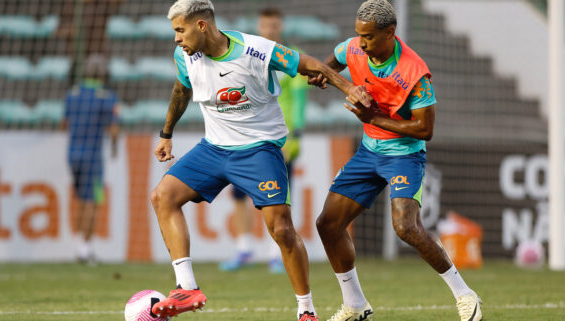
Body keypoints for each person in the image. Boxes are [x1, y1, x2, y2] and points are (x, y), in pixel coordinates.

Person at [149, 1, 372, 320]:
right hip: (214, 148)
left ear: (201, 26)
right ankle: (187, 287)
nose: (176, 38)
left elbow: (308, 64)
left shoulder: (256, 50)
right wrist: (166, 132)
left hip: (259, 149)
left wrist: (349, 88)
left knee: (281, 229)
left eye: (180, 30)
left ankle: (306, 310)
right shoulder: (184, 56)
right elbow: (181, 90)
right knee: (162, 197)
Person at [310, 1, 483, 321]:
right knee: (328, 224)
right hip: (368, 152)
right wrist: (325, 74)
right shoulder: (354, 47)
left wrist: (372, 116)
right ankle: (356, 305)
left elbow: (425, 129)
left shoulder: (414, 73)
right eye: (359, 35)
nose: (361, 43)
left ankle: (465, 295)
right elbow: (332, 62)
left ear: (390, 33)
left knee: (406, 227)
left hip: (404, 155)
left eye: (369, 37)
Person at [219, 6, 310, 274]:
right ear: (259, 27)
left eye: (273, 26)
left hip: (281, 140)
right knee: (238, 193)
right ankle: (244, 248)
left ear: (280, 27)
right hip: (248, 136)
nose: (269, 30)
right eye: (265, 26)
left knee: (279, 196)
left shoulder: (291, 59)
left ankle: (276, 254)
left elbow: (301, 102)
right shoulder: (248, 56)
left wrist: (294, 139)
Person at [63, 55, 119, 264]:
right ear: (103, 73)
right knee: (93, 201)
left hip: (73, 153)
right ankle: (84, 249)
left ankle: (80, 245)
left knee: (80, 199)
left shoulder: (73, 93)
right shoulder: (107, 97)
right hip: (92, 155)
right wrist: (114, 148)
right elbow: (113, 129)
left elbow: (65, 122)